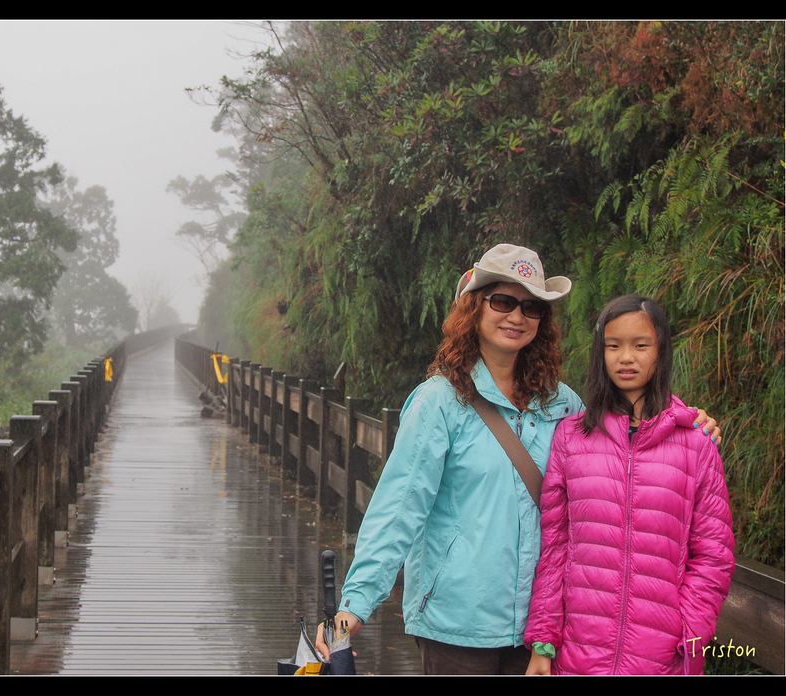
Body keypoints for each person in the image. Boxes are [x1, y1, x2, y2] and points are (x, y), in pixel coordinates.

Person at [314, 245, 721, 675]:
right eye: (504, 301)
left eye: (531, 307)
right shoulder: (440, 403)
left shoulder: (564, 406)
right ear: (474, 307)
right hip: (458, 625)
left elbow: (625, 461)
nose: (517, 316)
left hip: (543, 634)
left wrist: (687, 421)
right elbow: (398, 509)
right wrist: (354, 605)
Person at [524, 295, 735, 675]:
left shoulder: (697, 443)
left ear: (661, 351)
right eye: (613, 345)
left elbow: (714, 556)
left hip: (662, 659)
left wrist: (690, 635)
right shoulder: (571, 438)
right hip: (579, 656)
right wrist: (543, 639)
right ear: (599, 353)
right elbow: (556, 547)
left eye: (640, 345)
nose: (626, 357)